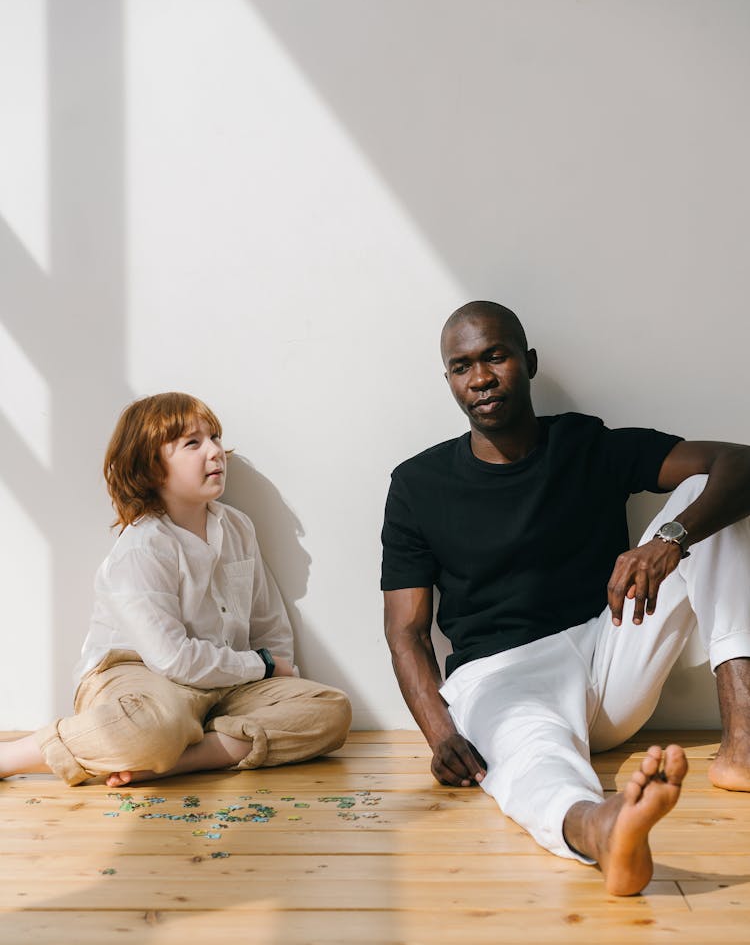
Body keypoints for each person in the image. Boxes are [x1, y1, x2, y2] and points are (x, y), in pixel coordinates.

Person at [381, 301, 750, 895]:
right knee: (532, 756)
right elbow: (406, 631)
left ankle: (744, 744)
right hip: (502, 677)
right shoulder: (417, 484)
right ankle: (599, 827)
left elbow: (740, 461)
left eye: (494, 357)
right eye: (461, 366)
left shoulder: (586, 443)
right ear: (449, 379)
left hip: (610, 647)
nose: (480, 378)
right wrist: (440, 734)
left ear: (527, 363)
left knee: (713, 492)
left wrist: (671, 541)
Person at [0, 392, 351, 787]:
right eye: (192, 443)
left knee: (330, 709)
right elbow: (172, 660)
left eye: (215, 437)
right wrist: (264, 665)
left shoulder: (237, 528)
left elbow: (269, 623)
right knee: (148, 728)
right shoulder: (142, 548)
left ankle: (183, 758)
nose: (215, 452)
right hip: (142, 678)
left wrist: (276, 675)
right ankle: (13, 755)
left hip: (227, 683)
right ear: (151, 468)